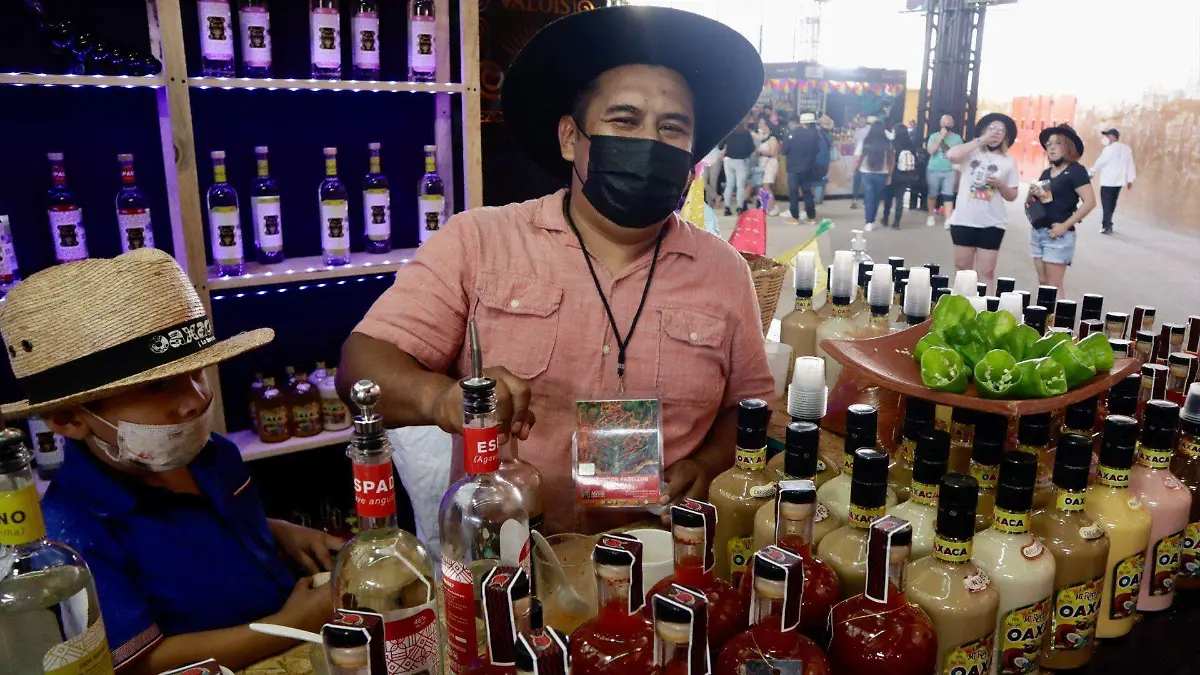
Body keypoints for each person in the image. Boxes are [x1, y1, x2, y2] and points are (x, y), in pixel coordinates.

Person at [336, 5, 775, 536]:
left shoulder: (724, 271)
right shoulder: (480, 242)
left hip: (660, 552)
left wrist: (706, 465)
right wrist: (442, 398)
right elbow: (362, 365)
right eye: (624, 120)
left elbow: (748, 407)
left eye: (672, 128)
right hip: (513, 555)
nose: (649, 142)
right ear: (570, 138)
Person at [0, 249, 340, 673]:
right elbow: (145, 660)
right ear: (69, 419)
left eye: (197, 373)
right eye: (158, 387)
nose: (196, 400)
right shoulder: (73, 537)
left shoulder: (213, 453)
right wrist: (290, 625)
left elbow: (200, 526)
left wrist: (279, 532)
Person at [944, 112, 1020, 287]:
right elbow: (952, 155)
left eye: (1001, 130)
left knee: (986, 272)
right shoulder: (971, 153)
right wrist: (980, 140)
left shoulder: (1009, 161)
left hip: (992, 223)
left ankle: (985, 304)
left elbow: (1012, 195)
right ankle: (962, 304)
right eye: (991, 128)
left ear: (1006, 136)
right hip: (964, 220)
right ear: (983, 131)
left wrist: (1001, 185)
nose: (996, 133)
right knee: (962, 270)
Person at [1027, 125, 1095, 291]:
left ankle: (1057, 310)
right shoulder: (1046, 173)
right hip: (1038, 233)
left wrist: (1064, 226)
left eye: (1057, 143)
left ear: (1068, 146)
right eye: (1049, 144)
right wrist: (1033, 192)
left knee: (1053, 287)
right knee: (1043, 282)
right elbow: (1041, 201)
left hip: (1059, 236)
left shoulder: (1076, 171)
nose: (1051, 147)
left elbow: (1090, 202)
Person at [1089, 127, 1136, 234]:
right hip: (1119, 182)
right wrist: (1130, 180)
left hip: (1107, 181)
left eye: (1107, 136)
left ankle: (1106, 225)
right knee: (1112, 202)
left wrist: (1091, 173)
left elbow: (1100, 162)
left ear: (1112, 137)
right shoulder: (1127, 149)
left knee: (1106, 203)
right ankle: (1108, 223)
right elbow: (1130, 165)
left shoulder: (1108, 149)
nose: (1105, 138)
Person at [781, 112, 821, 224]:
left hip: (793, 168)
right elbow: (817, 150)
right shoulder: (814, 134)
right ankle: (811, 217)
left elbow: (784, 151)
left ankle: (795, 217)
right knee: (807, 192)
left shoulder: (791, 134)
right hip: (808, 167)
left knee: (793, 192)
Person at [925, 113, 964, 227]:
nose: (946, 125)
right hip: (933, 169)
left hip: (950, 170)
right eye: (944, 122)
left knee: (948, 195)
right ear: (940, 124)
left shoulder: (957, 138)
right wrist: (940, 137)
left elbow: (960, 155)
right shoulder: (934, 136)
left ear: (952, 124)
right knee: (932, 194)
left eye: (949, 122)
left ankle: (948, 219)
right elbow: (931, 151)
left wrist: (959, 172)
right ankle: (931, 216)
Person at [854, 120, 894, 230]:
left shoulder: (865, 141)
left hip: (866, 173)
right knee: (876, 198)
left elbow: (858, 158)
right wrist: (890, 175)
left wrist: (855, 169)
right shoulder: (888, 143)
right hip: (882, 174)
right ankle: (872, 220)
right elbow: (891, 161)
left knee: (869, 197)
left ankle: (868, 221)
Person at [882, 122, 918, 229]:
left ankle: (885, 218)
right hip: (906, 174)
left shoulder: (893, 144)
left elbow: (890, 159)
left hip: (894, 173)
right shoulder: (911, 145)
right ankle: (896, 222)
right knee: (900, 198)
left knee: (888, 197)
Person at [721, 120, 756, 214]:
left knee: (729, 185)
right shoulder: (746, 134)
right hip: (741, 161)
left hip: (728, 160)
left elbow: (721, 146)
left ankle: (727, 208)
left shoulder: (729, 132)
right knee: (740, 186)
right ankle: (740, 207)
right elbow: (751, 148)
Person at [753, 117, 781, 213]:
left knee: (766, 186)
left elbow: (772, 152)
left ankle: (772, 207)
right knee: (762, 187)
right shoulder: (762, 138)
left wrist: (760, 152)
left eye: (764, 125)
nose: (761, 127)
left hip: (770, 164)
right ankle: (765, 206)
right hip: (762, 163)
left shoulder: (772, 139)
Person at [849, 115, 874, 209]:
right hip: (859, 157)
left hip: (868, 158)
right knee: (857, 180)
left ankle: (865, 200)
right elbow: (853, 144)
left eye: (863, 121)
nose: (861, 123)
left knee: (866, 182)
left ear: (866, 121)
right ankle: (854, 200)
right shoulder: (856, 131)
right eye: (860, 121)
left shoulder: (870, 129)